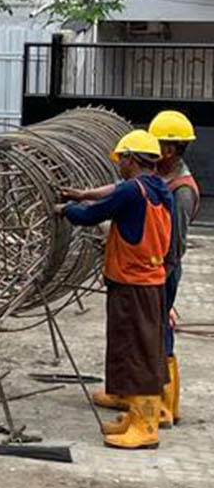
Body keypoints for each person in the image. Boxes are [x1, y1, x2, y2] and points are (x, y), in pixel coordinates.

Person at [59, 129, 173, 450]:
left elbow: (92, 215)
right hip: (146, 282)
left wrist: (66, 210)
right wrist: (84, 194)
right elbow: (115, 192)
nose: (119, 164)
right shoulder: (156, 187)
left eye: (121, 159)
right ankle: (135, 416)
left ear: (131, 159)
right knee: (133, 350)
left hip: (133, 284)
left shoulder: (132, 192)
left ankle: (146, 427)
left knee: (138, 354)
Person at [149, 109, 197, 426]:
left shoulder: (181, 190)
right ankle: (141, 395)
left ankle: (166, 405)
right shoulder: (162, 178)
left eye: (155, 145)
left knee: (160, 329)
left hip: (163, 270)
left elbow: (175, 245)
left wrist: (159, 277)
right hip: (155, 267)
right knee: (149, 330)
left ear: (168, 149)